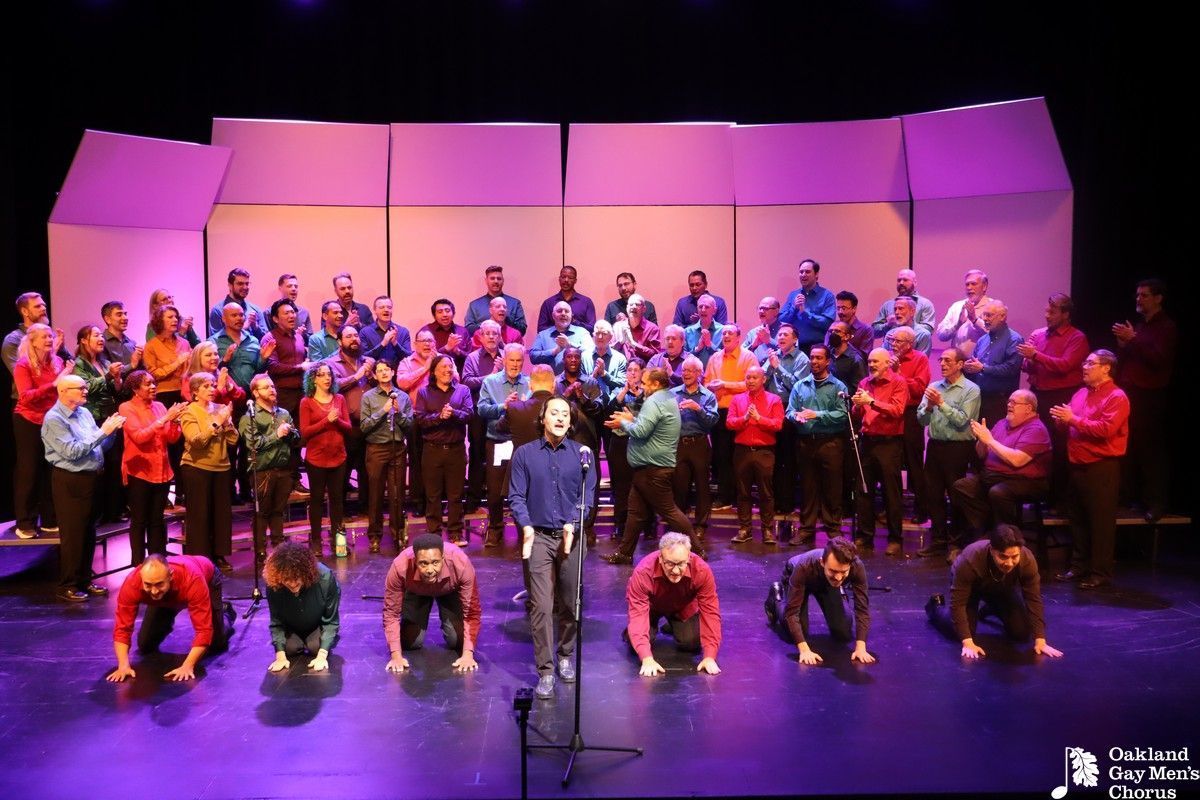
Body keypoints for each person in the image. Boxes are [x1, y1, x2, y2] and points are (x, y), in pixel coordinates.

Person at [507, 397, 598, 698]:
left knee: (570, 602)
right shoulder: (524, 454)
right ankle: (545, 670)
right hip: (539, 538)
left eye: (565, 414)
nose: (560, 418)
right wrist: (526, 526)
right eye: (554, 413)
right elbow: (516, 496)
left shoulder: (584, 454)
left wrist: (573, 523)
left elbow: (587, 497)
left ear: (571, 422)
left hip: (572, 537)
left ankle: (565, 654)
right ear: (542, 418)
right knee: (542, 606)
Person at [604, 368, 703, 562]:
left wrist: (623, 423)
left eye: (645, 383)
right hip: (648, 468)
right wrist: (632, 419)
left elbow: (640, 432)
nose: (642, 386)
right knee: (636, 513)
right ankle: (624, 553)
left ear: (656, 384)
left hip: (653, 469)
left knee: (670, 511)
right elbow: (650, 426)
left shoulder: (654, 401)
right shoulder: (667, 398)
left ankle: (698, 550)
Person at [1050, 350, 1130, 590]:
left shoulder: (1117, 396)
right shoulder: (1081, 394)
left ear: (1106, 368)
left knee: (1100, 523)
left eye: (1090, 363)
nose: (1084, 366)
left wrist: (1073, 419)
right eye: (1084, 362)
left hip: (1101, 467)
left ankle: (1100, 572)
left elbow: (1105, 430)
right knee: (1078, 519)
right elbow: (1070, 427)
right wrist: (1061, 421)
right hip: (1077, 464)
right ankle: (1079, 566)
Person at [42, 374, 125, 601]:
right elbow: (72, 452)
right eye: (80, 388)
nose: (85, 391)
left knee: (88, 532)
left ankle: (84, 580)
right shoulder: (54, 419)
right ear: (63, 391)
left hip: (91, 478)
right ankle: (67, 584)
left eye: (85, 387)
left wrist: (112, 432)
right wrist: (103, 431)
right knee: (73, 534)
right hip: (70, 480)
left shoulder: (84, 413)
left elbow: (97, 447)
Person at [925, 525, 1063, 660]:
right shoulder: (970, 559)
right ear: (992, 550)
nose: (1009, 563)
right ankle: (935, 606)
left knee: (1022, 633)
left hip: (1001, 587)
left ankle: (993, 607)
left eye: (1014, 557)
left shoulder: (1027, 560)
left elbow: (1033, 598)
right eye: (1003, 557)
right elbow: (958, 604)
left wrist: (1040, 640)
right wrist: (967, 642)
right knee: (961, 633)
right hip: (971, 589)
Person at [950, 390, 1051, 560]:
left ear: (1028, 408)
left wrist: (990, 440)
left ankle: (1004, 540)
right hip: (994, 476)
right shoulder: (1002, 423)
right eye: (1009, 401)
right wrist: (982, 441)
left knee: (998, 493)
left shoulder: (1036, 429)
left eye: (1014, 402)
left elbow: (1017, 460)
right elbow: (982, 454)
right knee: (962, 487)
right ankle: (988, 530)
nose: (1009, 405)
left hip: (1025, 480)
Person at [106, 554, 234, 682]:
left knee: (216, 643)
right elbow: (122, 628)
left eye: (159, 584)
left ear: (170, 576)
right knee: (145, 645)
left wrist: (187, 666)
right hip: (165, 599)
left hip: (207, 578)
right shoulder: (132, 583)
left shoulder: (193, 579)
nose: (154, 591)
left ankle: (226, 612)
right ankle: (166, 619)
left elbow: (204, 631)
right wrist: (123, 666)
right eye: (148, 585)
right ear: (141, 577)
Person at [1112, 278, 1177, 522]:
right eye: (1137, 295)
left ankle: (1156, 503)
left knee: (1151, 451)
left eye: (1145, 295)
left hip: (1150, 396)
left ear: (1158, 298)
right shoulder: (1140, 326)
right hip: (1130, 394)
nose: (1139, 299)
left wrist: (1133, 339)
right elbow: (1131, 360)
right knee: (1129, 449)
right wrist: (1123, 345)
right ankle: (1129, 499)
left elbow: (1159, 360)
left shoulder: (1167, 327)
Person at [1018, 293, 1088, 508]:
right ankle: (1039, 494)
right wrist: (1028, 358)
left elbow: (1065, 366)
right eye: (1047, 310)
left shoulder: (1077, 337)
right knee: (1037, 444)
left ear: (1066, 314)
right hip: (1039, 393)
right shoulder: (1038, 334)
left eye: (1052, 311)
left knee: (1059, 447)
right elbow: (1027, 366)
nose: (1047, 315)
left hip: (1061, 396)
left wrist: (1035, 355)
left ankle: (1059, 499)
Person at [624, 532, 722, 676]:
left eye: (681, 564)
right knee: (636, 645)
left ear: (688, 558)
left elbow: (710, 612)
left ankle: (672, 624)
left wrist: (709, 657)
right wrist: (646, 658)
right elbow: (638, 614)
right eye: (670, 563)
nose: (676, 571)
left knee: (692, 643)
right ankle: (640, 630)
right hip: (650, 609)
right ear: (660, 558)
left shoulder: (701, 570)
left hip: (681, 607)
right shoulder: (643, 572)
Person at [915, 348, 981, 559]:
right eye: (941, 360)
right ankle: (938, 540)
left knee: (956, 495)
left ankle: (956, 543)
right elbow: (921, 420)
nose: (942, 364)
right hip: (935, 446)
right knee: (933, 495)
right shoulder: (934, 387)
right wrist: (928, 408)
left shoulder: (971, 389)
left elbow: (962, 420)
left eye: (948, 360)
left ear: (960, 364)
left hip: (958, 448)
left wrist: (941, 404)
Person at [766, 536, 874, 665]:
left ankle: (838, 593)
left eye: (843, 572)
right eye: (833, 571)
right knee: (797, 632)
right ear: (822, 562)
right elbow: (792, 613)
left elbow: (862, 608)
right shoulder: (804, 567)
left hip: (826, 583)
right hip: (798, 575)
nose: (839, 577)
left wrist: (861, 648)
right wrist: (804, 650)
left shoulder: (856, 566)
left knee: (843, 632)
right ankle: (776, 597)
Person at [383, 534, 481, 673]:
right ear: (415, 561)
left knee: (458, 641)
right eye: (423, 563)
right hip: (416, 591)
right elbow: (391, 613)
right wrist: (396, 656)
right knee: (410, 642)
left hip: (449, 591)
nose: (430, 570)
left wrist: (468, 655)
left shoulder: (461, 563)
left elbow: (472, 612)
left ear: (443, 558)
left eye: (435, 562)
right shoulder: (400, 566)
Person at [12, 323, 72, 538]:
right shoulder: (23, 364)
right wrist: (54, 384)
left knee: (51, 470)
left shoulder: (57, 362)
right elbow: (26, 397)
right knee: (29, 471)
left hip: (51, 421)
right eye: (44, 337)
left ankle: (49, 519)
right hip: (28, 420)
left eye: (50, 336)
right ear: (33, 341)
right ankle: (24, 523)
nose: (49, 340)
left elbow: (60, 392)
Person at [786, 344, 848, 546]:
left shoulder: (838, 386)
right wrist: (796, 417)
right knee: (808, 488)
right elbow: (790, 411)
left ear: (828, 361)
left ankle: (833, 529)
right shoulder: (800, 385)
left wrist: (817, 414)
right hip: (806, 442)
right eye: (812, 357)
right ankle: (806, 529)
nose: (814, 361)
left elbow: (843, 414)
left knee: (832, 488)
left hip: (830, 443)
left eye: (819, 358)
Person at [121, 370, 186, 564]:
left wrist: (174, 422)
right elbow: (139, 437)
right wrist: (165, 419)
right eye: (147, 384)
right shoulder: (126, 408)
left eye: (153, 383)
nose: (153, 387)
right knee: (140, 520)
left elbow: (171, 439)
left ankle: (158, 563)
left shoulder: (159, 406)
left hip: (162, 470)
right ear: (135, 389)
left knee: (157, 520)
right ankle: (138, 565)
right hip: (140, 471)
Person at [179, 372, 239, 571]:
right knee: (200, 515)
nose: (212, 389)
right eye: (206, 386)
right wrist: (217, 423)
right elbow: (196, 441)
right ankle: (201, 559)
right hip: (197, 467)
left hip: (222, 466)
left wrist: (227, 423)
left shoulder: (221, 409)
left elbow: (233, 440)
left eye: (213, 385)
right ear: (195, 391)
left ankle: (219, 555)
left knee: (221, 515)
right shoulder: (189, 412)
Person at [851, 348, 907, 555]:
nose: (871, 365)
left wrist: (871, 402)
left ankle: (895, 538)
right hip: (867, 441)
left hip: (888, 443)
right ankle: (865, 536)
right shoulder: (865, 383)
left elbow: (897, 410)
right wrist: (858, 406)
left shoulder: (898, 382)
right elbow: (857, 414)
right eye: (870, 361)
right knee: (864, 491)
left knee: (891, 493)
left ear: (886, 363)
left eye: (876, 361)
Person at [239, 373, 300, 559]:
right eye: (266, 387)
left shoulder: (284, 413)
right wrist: (277, 435)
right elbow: (254, 444)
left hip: (284, 470)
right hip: (263, 471)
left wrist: (290, 433)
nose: (272, 390)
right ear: (256, 393)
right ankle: (260, 552)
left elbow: (296, 438)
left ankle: (279, 550)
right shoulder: (249, 417)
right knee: (262, 513)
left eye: (272, 386)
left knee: (279, 511)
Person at [414, 354, 473, 545]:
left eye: (450, 366)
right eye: (443, 367)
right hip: (432, 450)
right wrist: (439, 416)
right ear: (434, 371)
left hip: (456, 450)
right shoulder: (424, 392)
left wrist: (453, 413)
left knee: (456, 495)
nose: (448, 370)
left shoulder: (462, 390)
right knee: (433, 495)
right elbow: (420, 420)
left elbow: (469, 415)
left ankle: (456, 533)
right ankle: (434, 535)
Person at [476, 343, 530, 547]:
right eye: (511, 360)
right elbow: (481, 409)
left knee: (522, 489)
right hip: (497, 441)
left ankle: (523, 530)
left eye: (519, 361)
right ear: (504, 360)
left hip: (521, 444)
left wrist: (523, 406)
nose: (515, 364)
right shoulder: (490, 382)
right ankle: (496, 529)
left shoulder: (529, 383)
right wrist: (503, 406)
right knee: (495, 490)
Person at [727, 365, 785, 545]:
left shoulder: (774, 399)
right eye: (748, 377)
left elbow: (778, 424)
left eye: (754, 377)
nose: (751, 381)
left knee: (765, 492)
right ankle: (745, 529)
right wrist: (744, 418)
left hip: (764, 452)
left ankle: (767, 530)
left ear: (763, 380)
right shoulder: (737, 399)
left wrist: (759, 419)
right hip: (742, 451)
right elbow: (729, 423)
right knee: (743, 492)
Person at [299, 362, 351, 557]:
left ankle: (339, 543)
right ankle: (316, 542)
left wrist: (337, 421)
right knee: (317, 501)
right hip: (316, 459)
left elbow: (348, 427)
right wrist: (326, 421)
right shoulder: (306, 402)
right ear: (314, 379)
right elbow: (305, 432)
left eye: (329, 374)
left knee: (338, 501)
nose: (327, 378)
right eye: (322, 375)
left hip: (338, 457)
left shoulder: (339, 399)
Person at [360, 359, 412, 553]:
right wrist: (383, 411)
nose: (383, 373)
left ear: (393, 372)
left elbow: (410, 426)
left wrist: (398, 413)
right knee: (375, 494)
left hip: (397, 448)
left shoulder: (403, 397)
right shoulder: (368, 397)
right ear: (375, 375)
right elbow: (364, 426)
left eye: (386, 369)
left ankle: (398, 534)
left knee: (397, 494)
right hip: (376, 449)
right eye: (379, 370)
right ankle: (374, 536)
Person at [264, 542, 341, 672]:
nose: (292, 584)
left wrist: (322, 656)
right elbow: (276, 622)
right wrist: (280, 656)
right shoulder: (274, 584)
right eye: (286, 579)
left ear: (305, 572)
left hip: (317, 624)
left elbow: (332, 620)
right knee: (289, 649)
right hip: (292, 626)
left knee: (316, 647)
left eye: (296, 578)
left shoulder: (325, 577)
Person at [703, 324, 756, 508]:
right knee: (721, 456)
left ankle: (741, 497)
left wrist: (725, 384)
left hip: (741, 412)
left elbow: (751, 383)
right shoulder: (715, 357)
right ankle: (725, 496)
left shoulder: (748, 357)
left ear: (738, 337)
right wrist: (712, 386)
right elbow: (706, 383)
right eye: (724, 333)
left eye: (730, 333)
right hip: (719, 412)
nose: (726, 335)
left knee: (740, 456)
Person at [762, 323, 811, 522]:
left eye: (785, 334)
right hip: (770, 409)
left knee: (787, 459)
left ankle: (787, 503)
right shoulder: (774, 356)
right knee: (772, 458)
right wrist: (769, 366)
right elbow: (762, 380)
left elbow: (797, 386)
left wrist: (778, 367)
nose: (781, 337)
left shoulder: (801, 358)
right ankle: (773, 502)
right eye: (779, 334)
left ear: (795, 339)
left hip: (789, 410)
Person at [261, 298, 310, 488]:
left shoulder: (298, 336)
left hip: (300, 394)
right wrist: (300, 368)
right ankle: (283, 482)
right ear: (275, 318)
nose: (291, 316)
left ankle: (295, 480)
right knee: (283, 437)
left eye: (293, 312)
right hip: (282, 395)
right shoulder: (270, 338)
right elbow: (272, 366)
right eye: (286, 313)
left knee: (298, 438)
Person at [670, 356, 718, 543]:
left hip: (699, 443)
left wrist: (698, 409)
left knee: (702, 486)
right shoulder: (673, 393)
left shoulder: (708, 396)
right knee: (679, 486)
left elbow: (712, 422)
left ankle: (700, 526)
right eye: (684, 370)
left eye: (690, 370)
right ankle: (679, 525)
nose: (686, 374)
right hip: (679, 444)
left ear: (699, 373)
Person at [886, 326, 932, 524]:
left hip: (911, 414)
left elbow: (919, 389)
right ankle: (891, 510)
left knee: (914, 463)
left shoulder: (920, 359)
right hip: (890, 413)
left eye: (898, 341)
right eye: (892, 340)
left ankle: (921, 510)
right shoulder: (886, 357)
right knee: (891, 464)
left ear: (909, 344)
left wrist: (898, 373)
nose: (893, 344)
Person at [605, 357, 648, 543]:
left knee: (643, 485)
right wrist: (624, 391)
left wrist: (639, 394)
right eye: (629, 370)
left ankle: (648, 525)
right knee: (621, 486)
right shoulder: (618, 391)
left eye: (636, 370)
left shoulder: (648, 392)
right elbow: (609, 410)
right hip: (620, 442)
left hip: (640, 443)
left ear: (642, 373)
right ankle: (620, 524)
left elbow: (647, 412)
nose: (632, 373)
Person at [395, 330, 439, 515]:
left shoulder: (443, 360)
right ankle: (419, 501)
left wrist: (436, 366)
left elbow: (456, 379)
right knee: (416, 460)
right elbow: (402, 383)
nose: (427, 344)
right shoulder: (407, 362)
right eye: (423, 341)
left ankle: (438, 500)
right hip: (415, 417)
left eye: (430, 340)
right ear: (415, 344)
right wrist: (426, 368)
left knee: (437, 461)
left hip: (439, 417)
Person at [962, 301, 1023, 428]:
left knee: (995, 437)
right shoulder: (982, 340)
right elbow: (975, 364)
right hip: (980, 398)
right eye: (984, 315)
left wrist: (983, 368)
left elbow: (1011, 369)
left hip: (1000, 401)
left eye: (989, 315)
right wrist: (968, 367)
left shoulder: (1014, 339)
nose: (985, 319)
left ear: (1002, 317)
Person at [4, 291, 70, 385]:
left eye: (44, 306)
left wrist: (62, 348)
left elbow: (70, 364)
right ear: (25, 311)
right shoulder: (13, 340)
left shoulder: (52, 336)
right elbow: (21, 376)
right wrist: (53, 351)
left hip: (58, 392)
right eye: (37, 306)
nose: (43, 308)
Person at [779, 258, 835, 350]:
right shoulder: (793, 295)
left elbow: (828, 324)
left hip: (817, 347)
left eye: (807, 272)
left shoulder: (827, 295)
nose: (803, 275)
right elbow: (782, 320)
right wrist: (794, 308)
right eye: (801, 272)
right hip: (794, 348)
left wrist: (805, 314)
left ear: (816, 274)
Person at [935, 269, 993, 355]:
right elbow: (941, 336)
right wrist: (957, 325)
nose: (969, 288)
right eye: (967, 284)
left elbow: (995, 335)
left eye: (973, 284)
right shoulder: (957, 306)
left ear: (984, 286)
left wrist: (975, 320)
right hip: (956, 361)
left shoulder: (993, 307)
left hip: (980, 361)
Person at [464, 264, 528, 336]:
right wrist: (488, 326)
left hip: (509, 342)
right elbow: (468, 329)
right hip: (482, 342)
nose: (496, 281)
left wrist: (505, 320)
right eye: (492, 278)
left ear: (503, 281)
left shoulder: (515, 303)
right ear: (486, 281)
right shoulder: (474, 305)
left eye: (499, 279)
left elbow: (522, 329)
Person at [530, 301, 593, 372]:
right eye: (559, 311)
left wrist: (570, 345)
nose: (563, 314)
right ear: (553, 315)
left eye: (566, 311)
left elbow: (591, 350)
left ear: (571, 315)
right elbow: (533, 356)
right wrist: (554, 351)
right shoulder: (543, 335)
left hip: (578, 379)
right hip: (550, 379)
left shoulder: (582, 332)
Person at [207, 267, 267, 339]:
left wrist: (256, 327)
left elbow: (266, 340)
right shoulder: (218, 310)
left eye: (247, 284)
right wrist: (243, 328)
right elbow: (215, 341)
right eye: (240, 284)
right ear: (230, 285)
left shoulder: (255, 309)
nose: (245, 287)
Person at [873, 269, 936, 337]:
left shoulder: (925, 304)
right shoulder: (887, 305)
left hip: (915, 343)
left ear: (915, 283)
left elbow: (928, 330)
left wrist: (906, 327)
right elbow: (874, 332)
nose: (901, 283)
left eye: (905, 280)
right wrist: (887, 325)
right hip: (890, 343)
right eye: (899, 280)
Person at [536, 264, 596, 333]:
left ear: (575, 280)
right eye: (563, 277)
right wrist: (559, 326)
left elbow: (592, 329)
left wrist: (574, 321)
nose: (566, 280)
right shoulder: (548, 303)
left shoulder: (586, 302)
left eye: (570, 278)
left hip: (579, 339)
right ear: (559, 279)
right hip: (554, 339)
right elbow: (541, 329)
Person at [418, 298, 470, 368]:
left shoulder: (462, 331)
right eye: (440, 312)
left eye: (447, 311)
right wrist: (446, 348)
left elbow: (471, 358)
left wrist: (457, 351)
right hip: (432, 372)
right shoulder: (425, 332)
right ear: (434, 316)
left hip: (459, 372)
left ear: (453, 314)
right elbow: (421, 357)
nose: (444, 314)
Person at [360, 295, 411, 366]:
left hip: (398, 372)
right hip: (374, 372)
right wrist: (383, 344)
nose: (386, 310)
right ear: (375, 310)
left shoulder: (403, 332)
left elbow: (408, 358)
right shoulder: (365, 332)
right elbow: (362, 358)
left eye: (389, 307)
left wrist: (395, 343)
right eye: (381, 307)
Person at [583, 319, 628, 397]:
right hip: (588, 401)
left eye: (604, 333)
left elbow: (622, 384)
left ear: (611, 337)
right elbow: (580, 383)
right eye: (597, 333)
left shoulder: (620, 358)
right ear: (593, 335)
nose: (600, 337)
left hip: (612, 402)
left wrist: (604, 374)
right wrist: (594, 375)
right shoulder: (584, 356)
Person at [612, 293, 660, 363]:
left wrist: (634, 344)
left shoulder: (652, 329)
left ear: (644, 309)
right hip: (622, 367)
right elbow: (611, 350)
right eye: (631, 304)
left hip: (644, 368)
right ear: (627, 308)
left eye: (637, 304)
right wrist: (618, 343)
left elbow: (656, 355)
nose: (633, 307)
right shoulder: (618, 326)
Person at [683, 294, 724, 369]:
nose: (703, 310)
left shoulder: (723, 331)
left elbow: (726, 357)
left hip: (716, 374)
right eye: (700, 307)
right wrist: (697, 349)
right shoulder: (687, 331)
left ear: (714, 311)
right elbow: (683, 358)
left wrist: (710, 345)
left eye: (707, 307)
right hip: (693, 375)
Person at [100, 300, 141, 374]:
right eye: (119, 315)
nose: (125, 318)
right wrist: (132, 365)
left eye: (125, 314)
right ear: (108, 319)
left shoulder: (132, 343)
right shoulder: (101, 343)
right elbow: (108, 374)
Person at [829, 291, 873, 358]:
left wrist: (845, 342)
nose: (840, 312)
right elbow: (826, 351)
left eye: (844, 308)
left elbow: (864, 357)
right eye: (838, 308)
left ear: (854, 309)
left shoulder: (866, 330)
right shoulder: (833, 328)